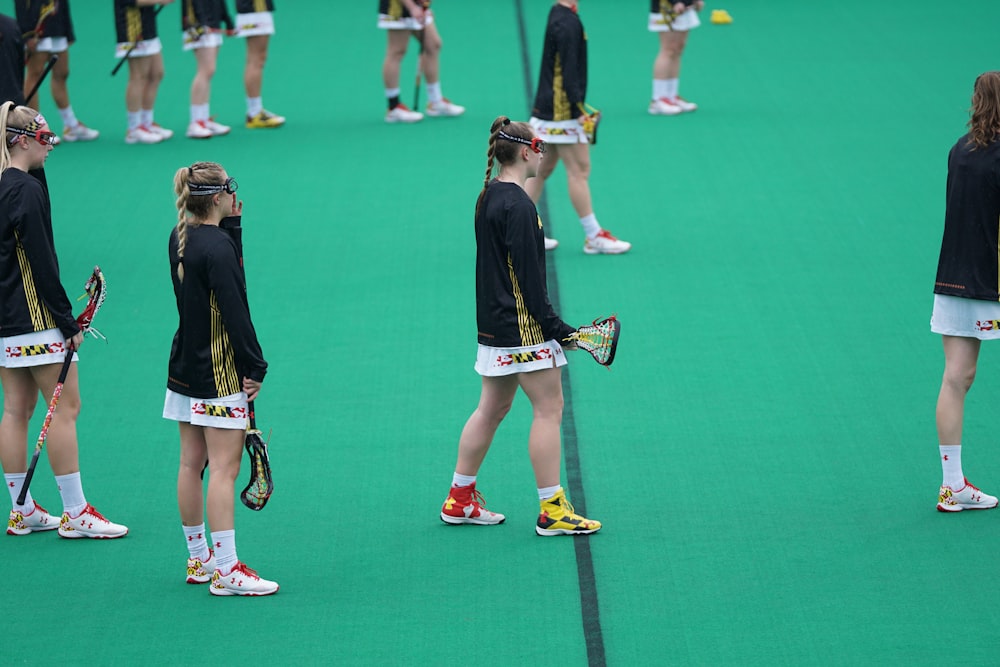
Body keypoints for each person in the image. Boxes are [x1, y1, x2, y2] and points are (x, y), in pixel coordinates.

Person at [439, 116, 602, 537]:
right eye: (541, 146)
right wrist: (559, 329)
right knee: (549, 410)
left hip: (493, 327)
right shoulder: (520, 206)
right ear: (527, 150)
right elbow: (529, 281)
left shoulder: (488, 196)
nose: (544, 152)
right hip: (523, 328)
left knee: (492, 409)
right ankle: (552, 509)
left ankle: (459, 500)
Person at [0, 101, 127, 539]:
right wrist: (68, 324)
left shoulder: (6, 184)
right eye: (45, 138)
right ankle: (75, 512)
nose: (52, 145)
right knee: (66, 409)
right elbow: (41, 263)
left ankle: (22, 510)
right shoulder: (26, 191)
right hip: (36, 319)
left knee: (16, 410)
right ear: (22, 140)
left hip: (4, 319)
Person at [165, 161, 277, 595]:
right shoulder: (217, 248)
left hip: (183, 369)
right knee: (224, 470)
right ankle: (227, 570)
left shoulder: (181, 236)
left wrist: (233, 228)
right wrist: (255, 366)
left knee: (191, 464)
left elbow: (219, 280)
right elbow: (236, 310)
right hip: (219, 373)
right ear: (218, 197)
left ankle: (199, 560)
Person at [931, 71, 1000, 513]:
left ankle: (951, 485)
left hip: (953, 278)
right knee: (959, 378)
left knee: (956, 378)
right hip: (991, 283)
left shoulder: (961, 148)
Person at [525, 0, 631, 255]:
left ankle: (520, 233)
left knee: (541, 170)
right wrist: (580, 110)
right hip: (562, 113)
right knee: (579, 170)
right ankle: (593, 235)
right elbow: (569, 72)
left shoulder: (558, 14)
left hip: (550, 108)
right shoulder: (568, 23)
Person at [15, 0, 99, 142]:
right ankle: (36, 128)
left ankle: (71, 125)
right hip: (37, 29)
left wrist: (68, 32)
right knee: (34, 75)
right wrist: (27, 35)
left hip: (57, 27)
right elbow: (21, 5)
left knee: (62, 73)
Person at [378, 0, 464, 124]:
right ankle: (394, 107)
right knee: (397, 51)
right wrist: (412, 7)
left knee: (433, 45)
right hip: (397, 6)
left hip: (417, 6)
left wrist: (424, 6)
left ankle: (435, 102)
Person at [115, 0, 175, 144]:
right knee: (137, 77)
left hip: (147, 26)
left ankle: (146, 123)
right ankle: (133, 129)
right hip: (132, 27)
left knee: (156, 73)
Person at [182, 0, 233, 139]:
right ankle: (194, 123)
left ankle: (203, 119)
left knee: (209, 72)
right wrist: (201, 23)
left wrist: (228, 20)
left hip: (213, 23)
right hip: (198, 26)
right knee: (205, 70)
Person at [234, 0, 284, 129]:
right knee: (256, 59)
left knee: (259, 58)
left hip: (258, 7)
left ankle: (255, 110)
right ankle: (254, 113)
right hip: (253, 7)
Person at [648, 0, 703, 115]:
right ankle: (658, 100)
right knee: (668, 49)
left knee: (678, 49)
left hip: (685, 6)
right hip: (666, 6)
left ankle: (671, 96)